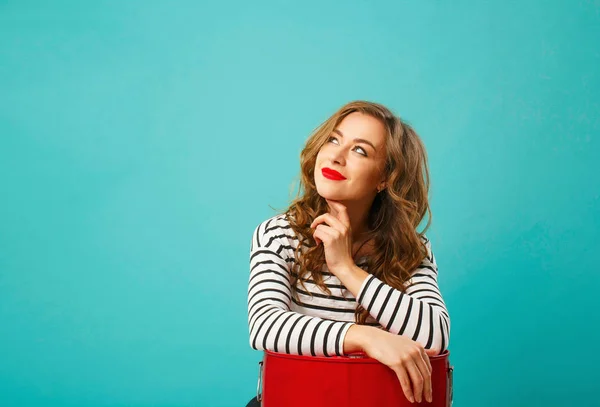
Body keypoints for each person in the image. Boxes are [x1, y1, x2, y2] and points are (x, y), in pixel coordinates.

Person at [246, 100, 450, 406]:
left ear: (385, 178)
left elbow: (434, 336)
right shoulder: (279, 234)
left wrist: (346, 268)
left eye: (360, 150)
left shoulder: (411, 249)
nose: (336, 156)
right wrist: (366, 337)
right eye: (333, 139)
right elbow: (265, 326)